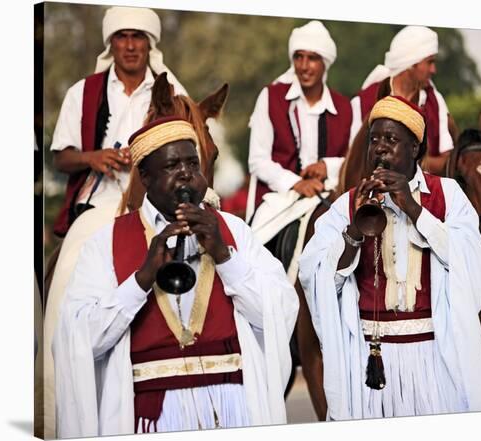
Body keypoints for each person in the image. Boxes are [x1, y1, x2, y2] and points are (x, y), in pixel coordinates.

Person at [53, 116, 299, 438]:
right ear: (145, 176)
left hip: (235, 409)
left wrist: (224, 256)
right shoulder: (105, 243)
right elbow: (80, 339)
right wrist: (141, 279)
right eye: (171, 166)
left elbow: (280, 313)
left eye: (192, 163)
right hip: (149, 418)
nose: (185, 173)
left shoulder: (234, 231)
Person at [299, 95, 481, 420]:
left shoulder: (447, 195)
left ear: (414, 148)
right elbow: (316, 276)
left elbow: (472, 261)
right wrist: (353, 232)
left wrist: (414, 210)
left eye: (391, 139)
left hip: (433, 358)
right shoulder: (348, 203)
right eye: (374, 140)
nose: (380, 148)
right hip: (369, 359)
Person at [50, 6, 187, 237]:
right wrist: (92, 157)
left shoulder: (174, 96)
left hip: (158, 207)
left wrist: (145, 158)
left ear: (149, 43)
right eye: (122, 37)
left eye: (138, 36)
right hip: (97, 205)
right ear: (111, 44)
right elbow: (61, 159)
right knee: (73, 265)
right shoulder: (81, 92)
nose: (130, 46)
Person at [246, 20, 352, 278]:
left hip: (331, 193)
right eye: (299, 57)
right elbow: (258, 160)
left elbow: (353, 159)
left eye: (312, 58)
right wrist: (296, 183)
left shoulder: (344, 106)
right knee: (254, 255)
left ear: (324, 62)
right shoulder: (271, 97)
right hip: (278, 198)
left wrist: (329, 166)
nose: (304, 66)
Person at [349, 25, 454, 175]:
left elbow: (448, 160)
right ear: (412, 63)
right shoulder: (363, 102)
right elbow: (354, 159)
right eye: (429, 62)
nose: (433, 70)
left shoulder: (435, 101)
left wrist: (407, 161)